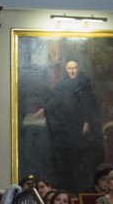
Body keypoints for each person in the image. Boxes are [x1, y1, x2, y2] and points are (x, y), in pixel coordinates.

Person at [43, 59, 102, 194]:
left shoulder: (84, 86)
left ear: (78, 68)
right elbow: (52, 106)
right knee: (65, 163)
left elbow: (91, 107)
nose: (72, 71)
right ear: (66, 69)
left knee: (80, 163)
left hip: (81, 130)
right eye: (69, 68)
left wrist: (88, 122)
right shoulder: (61, 86)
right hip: (65, 130)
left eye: (74, 67)